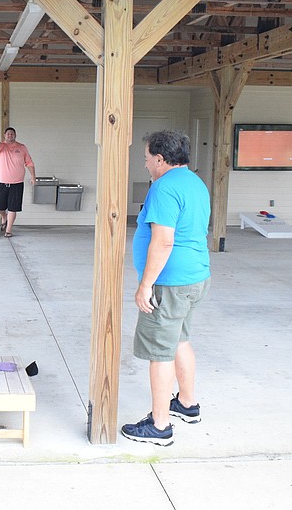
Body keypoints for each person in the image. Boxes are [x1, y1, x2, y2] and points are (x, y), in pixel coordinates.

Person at [120, 130, 211, 447]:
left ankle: (159, 426)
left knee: (160, 352)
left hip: (169, 283)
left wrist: (145, 285)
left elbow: (163, 239)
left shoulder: (164, 188)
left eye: (146, 159)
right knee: (180, 340)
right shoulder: (195, 183)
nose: (145, 164)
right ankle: (187, 405)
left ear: (160, 159)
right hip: (195, 277)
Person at [0, 127, 35, 238]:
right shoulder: (1, 147)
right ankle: (4, 217)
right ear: (5, 135)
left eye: (12, 134)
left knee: (13, 207)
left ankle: (9, 230)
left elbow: (29, 162)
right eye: (8, 134)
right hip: (1, 182)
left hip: (17, 183)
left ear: (15, 135)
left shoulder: (22, 147)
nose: (10, 135)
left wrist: (33, 176)